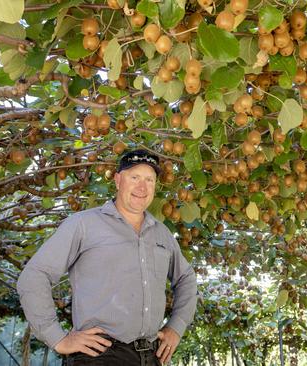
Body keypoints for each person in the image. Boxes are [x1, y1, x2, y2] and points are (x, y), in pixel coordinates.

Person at [17, 149, 198, 365]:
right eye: (135, 177)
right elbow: (35, 275)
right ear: (118, 180)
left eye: (149, 180)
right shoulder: (83, 224)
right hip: (100, 356)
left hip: (152, 356)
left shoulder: (162, 233)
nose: (142, 187)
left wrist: (176, 327)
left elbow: (186, 278)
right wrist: (57, 337)